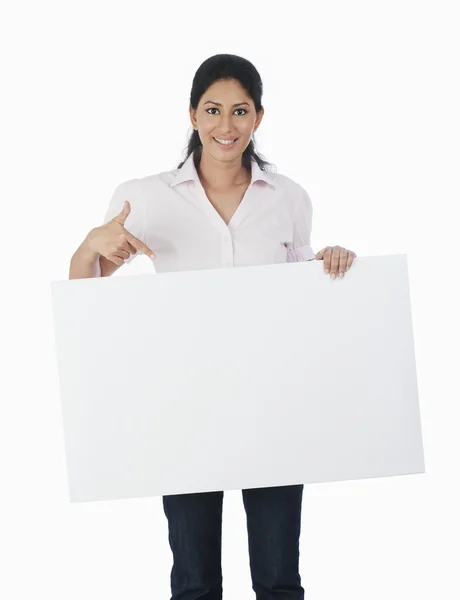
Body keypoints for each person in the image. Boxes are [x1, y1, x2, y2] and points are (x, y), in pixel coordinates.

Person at [69, 53, 356, 600]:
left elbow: (299, 288)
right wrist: (87, 247)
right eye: (214, 110)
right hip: (185, 408)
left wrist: (331, 262)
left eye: (240, 111)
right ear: (193, 115)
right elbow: (88, 299)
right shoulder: (145, 197)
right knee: (194, 581)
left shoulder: (289, 197)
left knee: (278, 578)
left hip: (273, 404)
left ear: (259, 118)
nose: (227, 126)